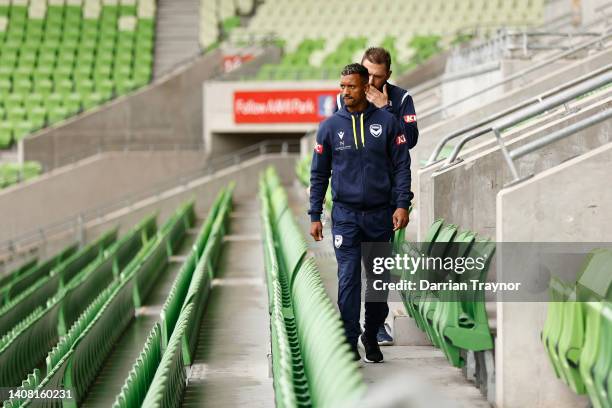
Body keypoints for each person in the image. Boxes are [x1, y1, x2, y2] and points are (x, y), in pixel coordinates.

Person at [309, 63, 413, 363]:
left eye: (351, 86)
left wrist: (401, 203)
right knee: (348, 278)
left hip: (381, 216)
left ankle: (372, 334)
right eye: (341, 86)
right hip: (345, 217)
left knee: (379, 280)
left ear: (366, 86)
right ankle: (349, 338)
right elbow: (319, 175)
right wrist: (314, 214)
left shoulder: (388, 122)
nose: (345, 92)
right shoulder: (329, 127)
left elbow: (401, 166)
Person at [335, 47, 419, 346]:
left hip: (385, 199)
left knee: (377, 270)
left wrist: (386, 111)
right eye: (366, 73)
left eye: (377, 76)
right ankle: (348, 330)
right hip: (351, 200)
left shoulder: (401, 98)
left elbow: (409, 142)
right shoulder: (345, 96)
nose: (370, 81)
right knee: (348, 272)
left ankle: (377, 325)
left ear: (388, 76)